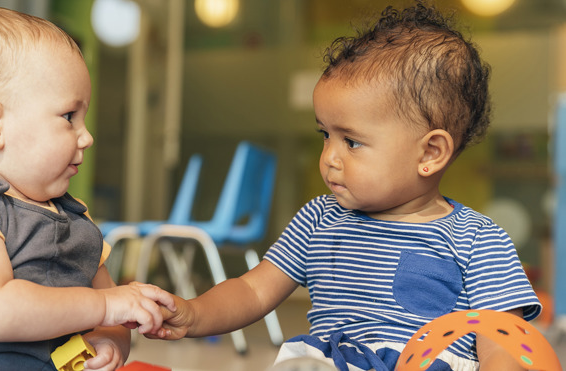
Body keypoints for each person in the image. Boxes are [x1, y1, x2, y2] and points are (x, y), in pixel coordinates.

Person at [151, 2, 541, 370]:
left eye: (351, 141)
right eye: (325, 135)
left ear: (431, 153)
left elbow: (500, 336)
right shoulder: (319, 219)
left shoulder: (478, 239)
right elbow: (253, 291)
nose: (330, 157)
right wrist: (195, 313)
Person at [0, 7, 175, 371]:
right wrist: (108, 306)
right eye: (69, 117)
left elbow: (108, 311)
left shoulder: (75, 217)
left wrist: (110, 340)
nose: (87, 136)